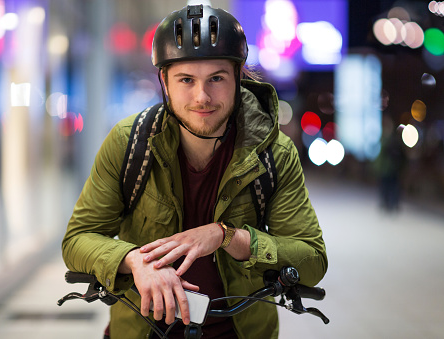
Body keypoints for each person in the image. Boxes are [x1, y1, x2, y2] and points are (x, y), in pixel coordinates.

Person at [62, 4, 327, 339]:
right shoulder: (129, 144)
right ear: (165, 81)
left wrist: (227, 236)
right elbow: (77, 240)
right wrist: (133, 260)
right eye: (186, 79)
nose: (202, 96)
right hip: (143, 330)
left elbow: (313, 258)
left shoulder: (274, 153)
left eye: (216, 78)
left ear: (238, 77)